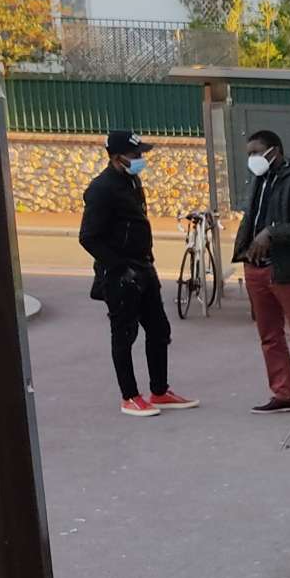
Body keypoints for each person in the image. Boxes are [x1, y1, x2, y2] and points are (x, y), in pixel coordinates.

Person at [79, 130, 197, 419]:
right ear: (117, 157)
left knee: (159, 330)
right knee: (124, 335)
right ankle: (129, 396)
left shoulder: (132, 181)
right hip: (120, 274)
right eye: (135, 155)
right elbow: (89, 237)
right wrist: (120, 267)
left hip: (144, 267)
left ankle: (159, 390)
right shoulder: (101, 189)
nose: (140, 158)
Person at [233, 129, 290, 418]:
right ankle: (283, 393)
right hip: (256, 268)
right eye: (249, 153)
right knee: (269, 335)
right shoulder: (260, 180)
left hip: (286, 270)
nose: (252, 158)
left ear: (273, 151)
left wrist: (271, 234)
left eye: (256, 152)